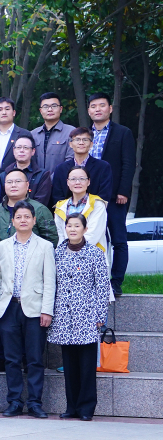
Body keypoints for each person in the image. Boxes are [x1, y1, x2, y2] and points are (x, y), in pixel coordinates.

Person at [0, 201, 56, 418]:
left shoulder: (45, 246)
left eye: (27, 216)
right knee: (11, 359)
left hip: (35, 309)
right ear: (12, 221)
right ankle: (14, 402)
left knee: (35, 359)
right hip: (8, 307)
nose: (23, 220)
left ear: (34, 220)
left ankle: (35, 403)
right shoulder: (2, 246)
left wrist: (47, 310)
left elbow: (50, 281)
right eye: (18, 217)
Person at [51, 213, 111, 421]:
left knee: (86, 365)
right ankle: (71, 407)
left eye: (77, 226)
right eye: (69, 226)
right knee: (69, 365)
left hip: (87, 315)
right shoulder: (58, 252)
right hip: (64, 316)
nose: (73, 229)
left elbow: (102, 286)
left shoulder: (95, 253)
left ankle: (86, 408)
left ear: (85, 229)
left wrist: (100, 314)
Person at [87, 93, 135, 296]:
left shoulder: (123, 133)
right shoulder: (84, 133)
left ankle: (116, 282)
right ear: (89, 110)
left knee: (118, 240)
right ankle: (92, 280)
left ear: (110, 108)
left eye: (102, 105)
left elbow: (128, 164)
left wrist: (123, 190)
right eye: (93, 106)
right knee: (89, 238)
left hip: (115, 197)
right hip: (89, 197)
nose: (97, 109)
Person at [53, 167, 110, 263]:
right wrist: (64, 256)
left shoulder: (97, 204)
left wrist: (74, 254)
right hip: (66, 259)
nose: (77, 182)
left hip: (92, 258)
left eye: (82, 179)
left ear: (88, 182)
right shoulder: (60, 206)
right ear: (68, 182)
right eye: (73, 179)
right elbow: (61, 236)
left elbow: (93, 235)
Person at [0, 169, 58, 244]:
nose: (13, 185)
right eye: (9, 182)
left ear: (27, 185)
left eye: (18, 181)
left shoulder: (39, 209)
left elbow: (51, 240)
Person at [51, 127, 113, 205]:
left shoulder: (103, 167)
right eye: (77, 140)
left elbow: (104, 194)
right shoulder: (60, 169)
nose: (81, 143)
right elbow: (57, 196)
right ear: (70, 144)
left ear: (91, 144)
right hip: (66, 210)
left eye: (85, 140)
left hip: (95, 210)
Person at [0, 98, 34, 170]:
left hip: (18, 176)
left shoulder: (25, 134)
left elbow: (32, 161)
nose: (4, 112)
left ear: (14, 112)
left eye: (7, 109)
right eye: (0, 110)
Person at [3, 135, 54, 206]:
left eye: (26, 148)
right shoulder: (4, 175)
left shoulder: (42, 175)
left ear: (33, 151)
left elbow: (41, 202)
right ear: (14, 150)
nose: (21, 150)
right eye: (18, 147)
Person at [31, 92, 75, 173]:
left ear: (60, 109)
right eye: (45, 107)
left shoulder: (71, 132)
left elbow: (70, 161)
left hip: (61, 179)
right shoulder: (33, 134)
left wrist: (53, 178)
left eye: (54, 106)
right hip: (36, 180)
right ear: (40, 111)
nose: (50, 109)